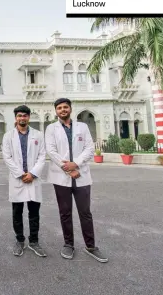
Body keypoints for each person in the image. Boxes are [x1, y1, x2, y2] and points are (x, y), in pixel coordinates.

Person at [45, 98, 108, 263]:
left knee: (85, 213)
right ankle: (68, 244)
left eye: (65, 107)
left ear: (70, 109)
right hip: (61, 177)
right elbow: (51, 151)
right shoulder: (51, 128)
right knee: (65, 213)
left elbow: (89, 148)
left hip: (81, 176)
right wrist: (68, 168)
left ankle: (91, 246)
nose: (63, 110)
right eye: (59, 108)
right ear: (56, 111)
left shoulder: (83, 127)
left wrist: (76, 164)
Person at [2, 105, 47, 258]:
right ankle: (19, 241)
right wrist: (21, 174)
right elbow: (7, 158)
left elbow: (42, 156)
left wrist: (33, 173)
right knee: (17, 213)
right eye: (19, 116)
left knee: (34, 213)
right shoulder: (8, 136)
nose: (22, 118)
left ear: (29, 117)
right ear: (16, 118)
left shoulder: (38, 135)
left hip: (33, 179)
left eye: (25, 116)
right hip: (18, 180)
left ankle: (34, 241)